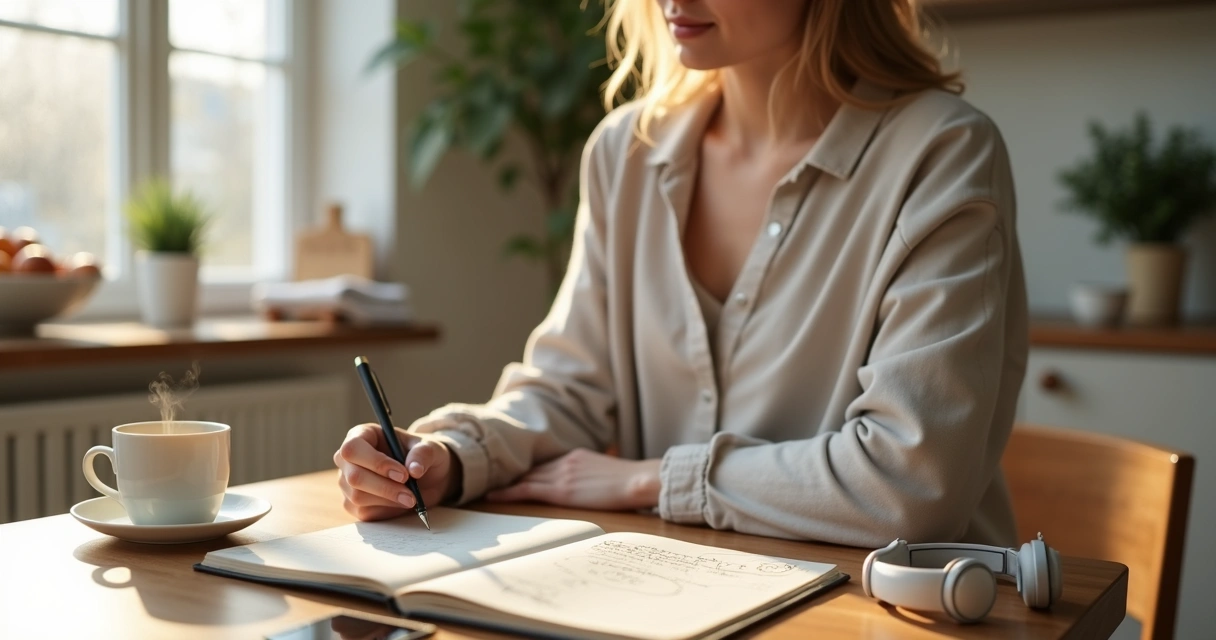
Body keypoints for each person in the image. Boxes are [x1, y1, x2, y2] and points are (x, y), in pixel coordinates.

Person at [334, 0, 1027, 548]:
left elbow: (908, 485)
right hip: (675, 595)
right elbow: (569, 388)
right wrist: (447, 455)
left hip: (896, 611)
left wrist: (648, 480)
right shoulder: (624, 153)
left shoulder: (942, 153)